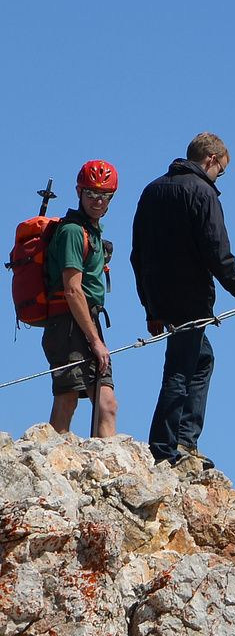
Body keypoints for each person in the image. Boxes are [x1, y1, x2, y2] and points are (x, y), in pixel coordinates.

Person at [131, 134, 235, 468]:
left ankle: (183, 439)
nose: (218, 177)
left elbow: (137, 255)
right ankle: (168, 448)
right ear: (211, 159)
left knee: (201, 359)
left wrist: (151, 308)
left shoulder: (152, 191)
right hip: (190, 297)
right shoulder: (202, 193)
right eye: (220, 171)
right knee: (180, 371)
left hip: (160, 296)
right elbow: (217, 254)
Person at [44, 161, 119, 438]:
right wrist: (96, 341)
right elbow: (73, 289)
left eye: (105, 195)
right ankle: (55, 468)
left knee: (92, 401)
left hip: (83, 321)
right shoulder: (74, 232)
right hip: (69, 324)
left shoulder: (90, 231)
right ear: (79, 191)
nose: (98, 201)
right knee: (75, 400)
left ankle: (100, 471)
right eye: (91, 193)